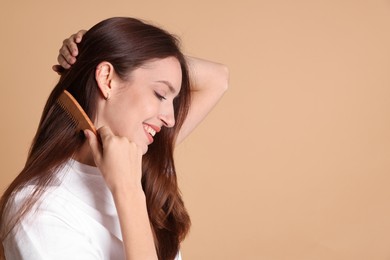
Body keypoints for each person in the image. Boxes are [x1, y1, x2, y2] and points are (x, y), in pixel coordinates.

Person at [0, 17, 228, 260]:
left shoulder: (140, 162)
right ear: (107, 79)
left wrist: (102, 48)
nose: (171, 119)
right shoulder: (39, 212)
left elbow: (218, 78)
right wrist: (128, 191)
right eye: (161, 94)